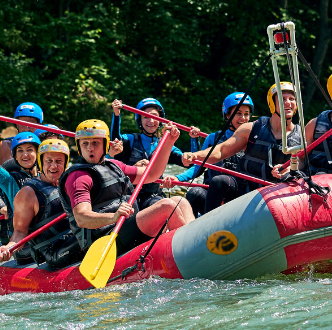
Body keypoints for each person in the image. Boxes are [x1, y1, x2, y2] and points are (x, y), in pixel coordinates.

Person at [58, 119, 194, 258]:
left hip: (124, 226)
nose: (90, 148)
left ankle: (196, 242)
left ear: (105, 144)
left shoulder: (114, 165)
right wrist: (113, 217)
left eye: (95, 143)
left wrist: (168, 142)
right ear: (79, 146)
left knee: (179, 201)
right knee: (167, 206)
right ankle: (192, 253)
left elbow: (152, 174)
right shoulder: (78, 177)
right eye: (85, 143)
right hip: (104, 236)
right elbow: (82, 218)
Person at [183, 83, 303, 211]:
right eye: (282, 99)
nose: (288, 103)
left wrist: (288, 169)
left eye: (291, 99)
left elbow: (303, 164)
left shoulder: (301, 135)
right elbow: (222, 151)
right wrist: (195, 155)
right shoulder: (251, 128)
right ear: (272, 103)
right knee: (219, 181)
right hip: (244, 188)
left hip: (274, 193)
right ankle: (208, 227)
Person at [169, 92, 254, 216]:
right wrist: (177, 178)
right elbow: (198, 168)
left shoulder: (253, 140)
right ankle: (195, 228)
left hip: (238, 195)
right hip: (213, 196)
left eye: (246, 114)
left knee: (220, 181)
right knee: (195, 193)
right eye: (238, 113)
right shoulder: (212, 139)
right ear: (227, 115)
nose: (243, 118)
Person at [109, 97, 200, 210]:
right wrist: (117, 115)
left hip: (153, 196)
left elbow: (194, 164)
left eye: (154, 117)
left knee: (163, 205)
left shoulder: (167, 145)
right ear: (140, 120)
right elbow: (115, 140)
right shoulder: (131, 139)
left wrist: (194, 139)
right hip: (128, 195)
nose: (151, 121)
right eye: (146, 117)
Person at [0, 138, 72, 265]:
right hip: (52, 251)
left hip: (70, 239)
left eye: (59, 161)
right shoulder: (27, 193)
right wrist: (9, 247)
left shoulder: (69, 183)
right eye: (49, 161)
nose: (54, 166)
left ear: (65, 164)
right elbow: (20, 231)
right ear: (41, 162)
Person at [0, 125, 39, 244]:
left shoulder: (47, 176)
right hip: (24, 241)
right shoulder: (10, 181)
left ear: (38, 153)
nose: (25, 155)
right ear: (15, 156)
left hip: (44, 234)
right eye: (20, 151)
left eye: (29, 149)